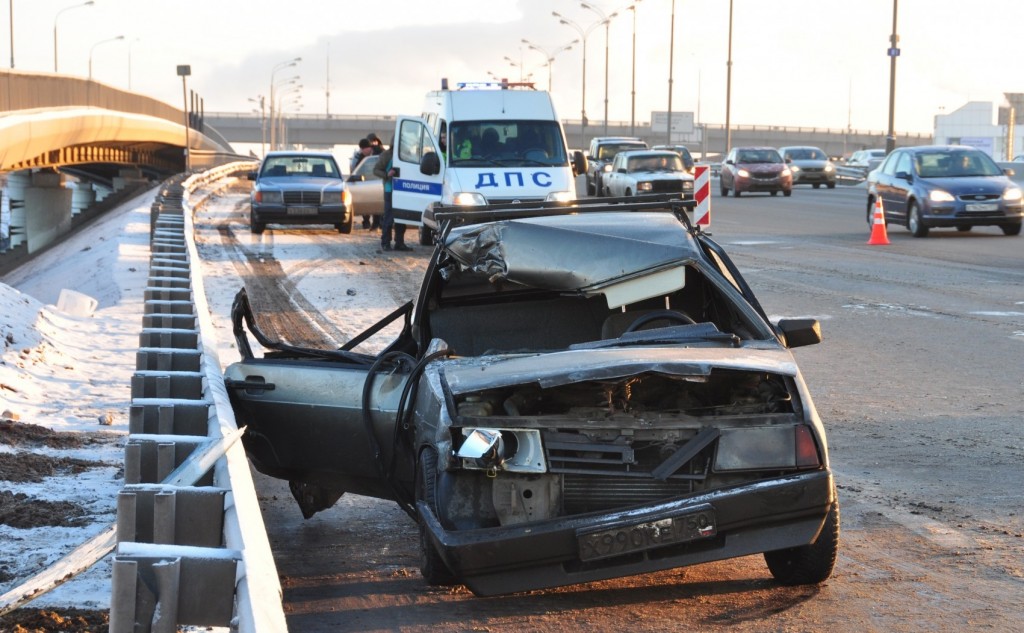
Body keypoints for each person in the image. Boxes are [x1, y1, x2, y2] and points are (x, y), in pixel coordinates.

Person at [373, 139, 411, 252]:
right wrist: (386, 174)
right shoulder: (386, 155)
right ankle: (385, 243)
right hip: (390, 190)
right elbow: (375, 170)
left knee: (401, 218)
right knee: (388, 218)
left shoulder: (407, 154)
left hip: (403, 190)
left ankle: (399, 243)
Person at [350, 139, 379, 230]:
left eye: (363, 149)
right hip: (364, 182)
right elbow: (356, 169)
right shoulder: (359, 156)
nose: (362, 151)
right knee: (365, 202)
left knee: (376, 204)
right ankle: (366, 221)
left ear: (368, 148)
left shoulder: (377, 153)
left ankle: (376, 223)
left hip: (376, 181)